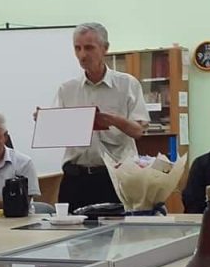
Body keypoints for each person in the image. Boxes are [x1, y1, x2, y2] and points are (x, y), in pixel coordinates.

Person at [46, 22, 149, 212]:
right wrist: (47, 122)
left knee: (117, 230)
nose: (82, 55)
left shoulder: (127, 84)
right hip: (76, 178)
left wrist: (114, 120)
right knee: (71, 230)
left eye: (89, 48)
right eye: (77, 48)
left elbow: (138, 131)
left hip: (115, 177)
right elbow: (57, 134)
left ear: (105, 48)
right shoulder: (67, 89)